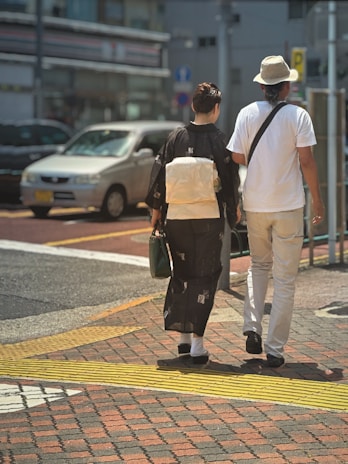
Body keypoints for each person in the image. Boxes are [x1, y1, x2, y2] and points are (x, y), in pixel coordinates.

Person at [227, 55, 325, 368]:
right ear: (286, 86)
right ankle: (275, 349)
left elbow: (238, 156)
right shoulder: (298, 115)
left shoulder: (246, 113)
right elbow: (307, 161)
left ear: (261, 86)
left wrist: (263, 163)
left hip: (255, 203)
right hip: (289, 206)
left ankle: (251, 327)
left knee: (258, 265)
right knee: (284, 279)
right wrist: (318, 201)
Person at [146, 82, 240, 366]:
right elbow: (229, 181)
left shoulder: (175, 137)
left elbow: (159, 175)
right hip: (208, 218)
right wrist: (233, 210)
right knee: (206, 276)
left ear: (193, 107)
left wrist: (156, 213)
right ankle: (197, 342)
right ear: (215, 109)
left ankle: (183, 340)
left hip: (177, 218)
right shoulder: (220, 140)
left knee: (182, 274)